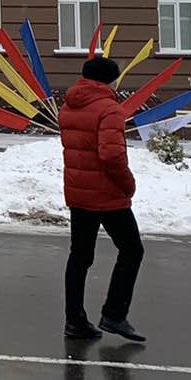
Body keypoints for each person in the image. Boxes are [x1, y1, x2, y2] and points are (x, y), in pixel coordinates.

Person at [60, 56, 146, 343]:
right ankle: (114, 313)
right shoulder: (109, 109)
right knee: (132, 250)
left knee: (80, 257)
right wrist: (128, 184)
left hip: (78, 192)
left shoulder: (70, 105)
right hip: (108, 194)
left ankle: (75, 320)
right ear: (109, 80)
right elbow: (111, 155)